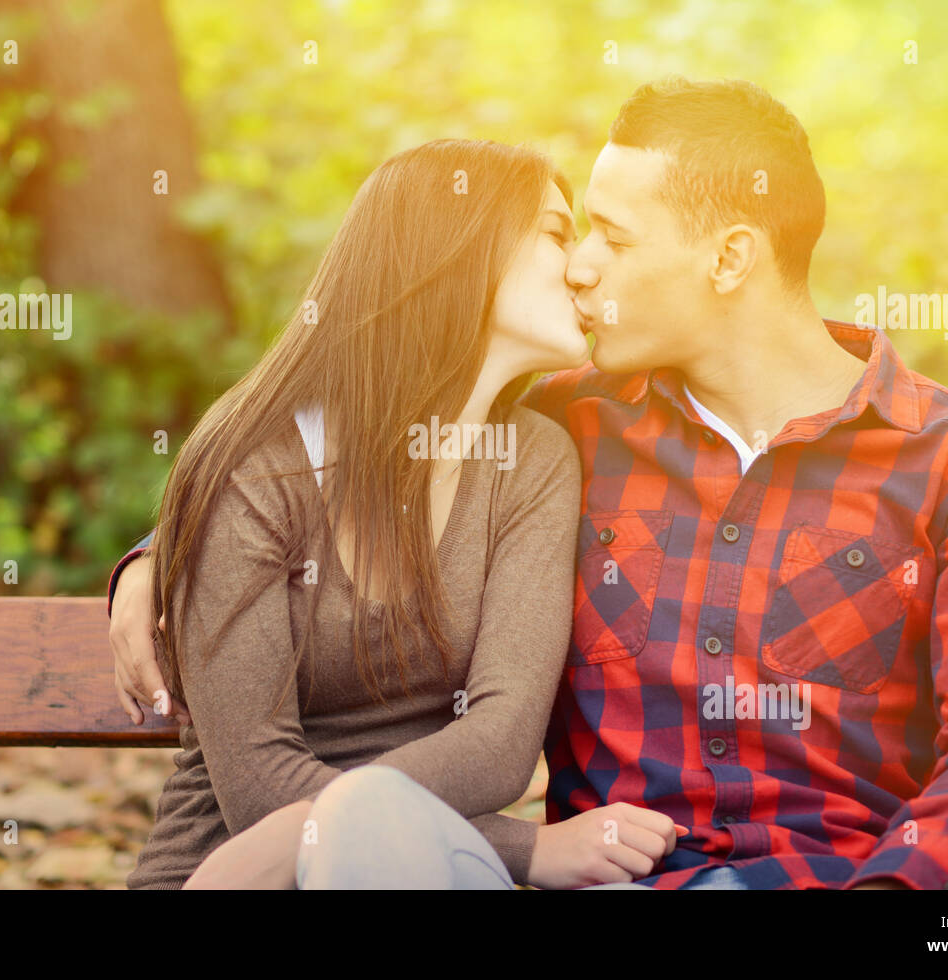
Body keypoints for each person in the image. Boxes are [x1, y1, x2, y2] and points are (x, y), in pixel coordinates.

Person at [114, 77, 948, 890]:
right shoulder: (572, 426)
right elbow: (365, 426)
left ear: (731, 256)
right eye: (570, 235)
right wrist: (166, 556)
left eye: (611, 238)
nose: (580, 267)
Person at [116, 138, 681, 890]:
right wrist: (528, 850)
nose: (581, 265)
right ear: (455, 249)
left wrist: (353, 825)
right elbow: (255, 791)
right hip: (233, 872)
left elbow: (501, 743)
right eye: (555, 231)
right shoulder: (259, 467)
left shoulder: (533, 463)